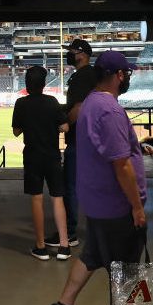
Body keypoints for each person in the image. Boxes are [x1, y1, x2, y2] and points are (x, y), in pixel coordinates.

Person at [44, 51, 153, 305]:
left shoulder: (90, 103)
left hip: (97, 201)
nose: (128, 77)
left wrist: (137, 146)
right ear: (120, 74)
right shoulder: (109, 109)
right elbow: (121, 164)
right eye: (127, 73)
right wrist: (137, 207)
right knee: (128, 270)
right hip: (116, 204)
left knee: (93, 255)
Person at [12, 66, 70, 261]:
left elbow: (16, 131)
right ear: (44, 84)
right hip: (52, 156)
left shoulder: (21, 103)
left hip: (32, 156)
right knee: (58, 198)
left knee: (36, 199)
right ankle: (64, 245)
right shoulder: (52, 102)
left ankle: (40, 247)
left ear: (26, 85)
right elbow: (64, 126)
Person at [58, 38, 95, 248]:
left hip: (79, 140)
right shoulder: (87, 75)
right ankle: (93, 230)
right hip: (86, 140)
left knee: (70, 187)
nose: (69, 54)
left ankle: (70, 232)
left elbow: (79, 108)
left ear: (82, 54)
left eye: (72, 51)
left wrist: (64, 123)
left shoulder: (83, 76)